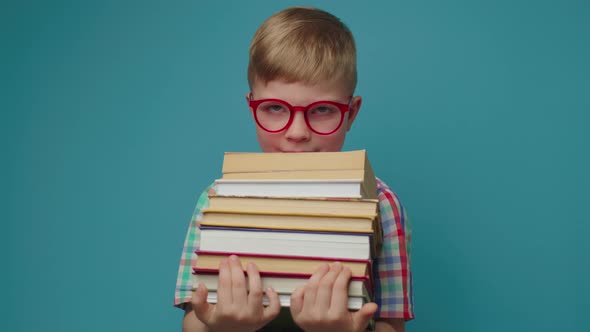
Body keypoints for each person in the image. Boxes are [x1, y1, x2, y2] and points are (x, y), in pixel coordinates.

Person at [174, 6, 414, 332]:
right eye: (274, 108)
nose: (297, 132)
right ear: (251, 107)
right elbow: (193, 320)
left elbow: (392, 325)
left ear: (351, 113)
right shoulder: (216, 200)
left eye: (322, 110)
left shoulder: (381, 203)